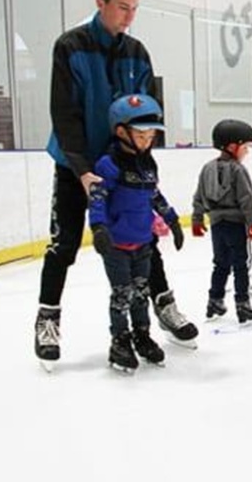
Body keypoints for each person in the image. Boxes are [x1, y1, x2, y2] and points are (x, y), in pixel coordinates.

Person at [33, 0, 196, 370]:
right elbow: (64, 114)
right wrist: (85, 170)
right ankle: (47, 318)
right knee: (64, 243)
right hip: (77, 166)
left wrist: (141, 156)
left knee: (143, 240)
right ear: (100, 2)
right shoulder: (70, 47)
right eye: (123, 7)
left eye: (135, 9)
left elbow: (149, 111)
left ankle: (164, 305)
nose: (129, 17)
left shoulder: (137, 53)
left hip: (125, 165)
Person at [88, 94, 184, 372]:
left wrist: (173, 221)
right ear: (121, 132)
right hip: (116, 244)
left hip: (143, 242)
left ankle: (142, 335)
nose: (147, 141)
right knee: (122, 294)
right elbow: (97, 198)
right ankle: (120, 341)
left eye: (151, 135)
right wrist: (98, 227)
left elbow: (155, 195)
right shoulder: (109, 164)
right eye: (141, 135)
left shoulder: (148, 164)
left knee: (141, 292)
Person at [191, 119, 252, 323]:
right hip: (235, 224)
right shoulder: (238, 170)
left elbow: (198, 196)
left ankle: (215, 300)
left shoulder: (207, 168)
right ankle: (243, 304)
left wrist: (197, 218)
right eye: (245, 147)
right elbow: (246, 199)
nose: (247, 152)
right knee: (241, 264)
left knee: (220, 263)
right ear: (232, 146)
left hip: (216, 225)